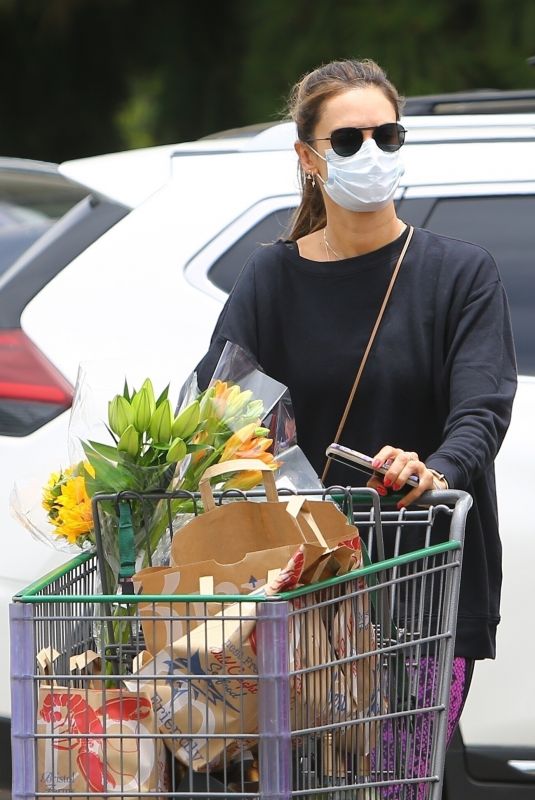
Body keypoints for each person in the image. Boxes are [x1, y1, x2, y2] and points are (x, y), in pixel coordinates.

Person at [196, 58, 517, 787]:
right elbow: (220, 408)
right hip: (299, 593)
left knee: (398, 784)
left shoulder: (458, 274)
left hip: (420, 590)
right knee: (299, 782)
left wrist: (433, 470)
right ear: (307, 158)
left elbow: (481, 407)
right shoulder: (270, 279)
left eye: (386, 135)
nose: (369, 154)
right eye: (346, 141)